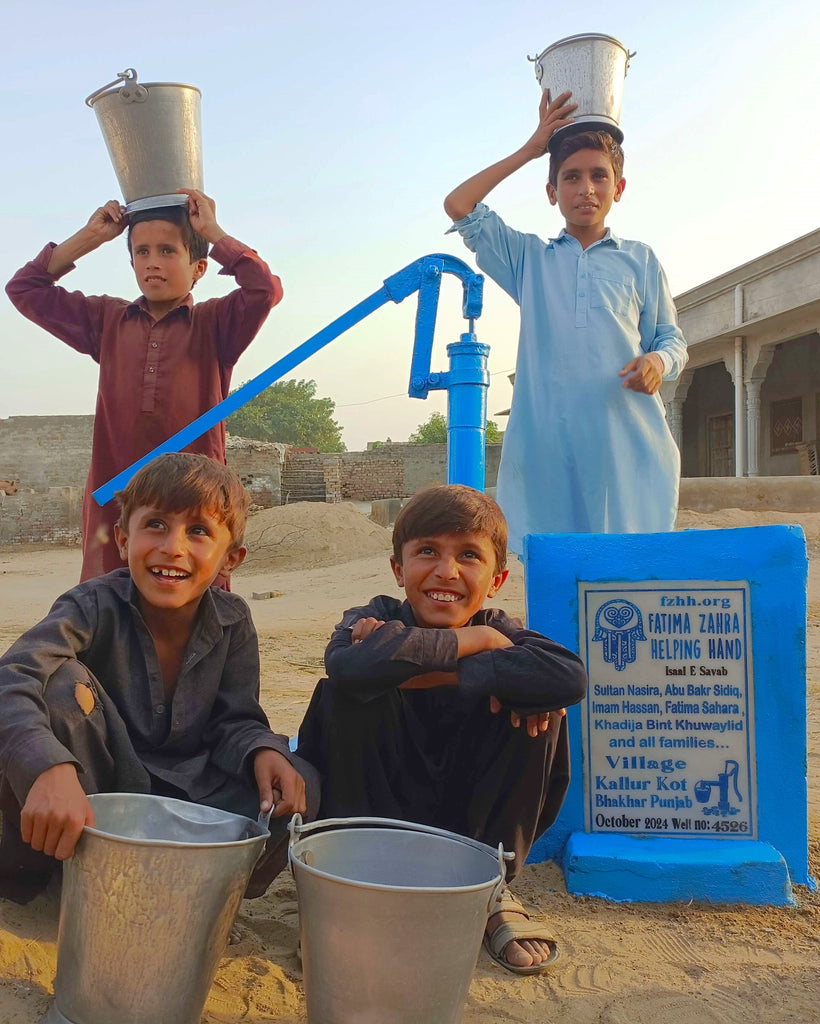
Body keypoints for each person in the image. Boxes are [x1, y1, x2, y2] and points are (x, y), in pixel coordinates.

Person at [0, 452, 318, 904]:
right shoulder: (91, 605)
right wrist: (48, 766)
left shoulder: (233, 620)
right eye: (156, 525)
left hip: (190, 797)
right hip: (96, 793)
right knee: (62, 685)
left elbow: (236, 720)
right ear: (124, 541)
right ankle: (75, 871)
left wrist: (262, 748)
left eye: (198, 531)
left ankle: (206, 894)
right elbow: (14, 675)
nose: (173, 546)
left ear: (231, 558)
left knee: (295, 777)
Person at [296, 484, 588, 975]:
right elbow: (347, 666)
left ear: (496, 580)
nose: (446, 570)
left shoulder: (507, 629)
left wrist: (423, 663)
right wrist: (477, 643)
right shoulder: (372, 617)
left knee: (541, 709)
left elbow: (569, 677)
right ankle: (352, 888)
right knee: (347, 693)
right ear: (398, 569)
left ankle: (489, 887)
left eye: (468, 556)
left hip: (468, 819)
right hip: (375, 816)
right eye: (427, 551)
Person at [443, 90, 689, 552]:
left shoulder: (640, 260)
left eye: (599, 176)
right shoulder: (529, 259)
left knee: (625, 577)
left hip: (626, 447)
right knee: (554, 570)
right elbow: (459, 204)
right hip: (547, 449)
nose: (586, 189)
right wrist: (532, 148)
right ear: (552, 191)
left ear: (619, 187)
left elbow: (672, 337)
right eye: (571, 177)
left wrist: (659, 359)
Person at [6, 190, 282, 581]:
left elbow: (265, 291)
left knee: (197, 608)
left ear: (199, 268)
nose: (153, 263)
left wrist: (214, 232)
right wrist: (90, 237)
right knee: (109, 607)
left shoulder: (216, 323)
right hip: (116, 499)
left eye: (168, 251)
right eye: (142, 252)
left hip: (194, 499)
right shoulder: (107, 320)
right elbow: (24, 289)